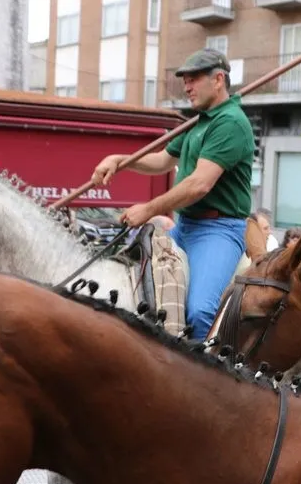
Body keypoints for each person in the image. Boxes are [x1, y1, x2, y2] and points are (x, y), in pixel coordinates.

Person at [91, 48, 255, 341]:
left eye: (194, 80)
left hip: (218, 230)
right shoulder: (200, 122)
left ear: (218, 80)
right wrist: (119, 160)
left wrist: (149, 209)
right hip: (185, 227)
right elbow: (162, 160)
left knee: (200, 312)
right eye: (185, 81)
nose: (187, 87)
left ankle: (205, 369)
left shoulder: (230, 122)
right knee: (140, 293)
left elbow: (199, 184)